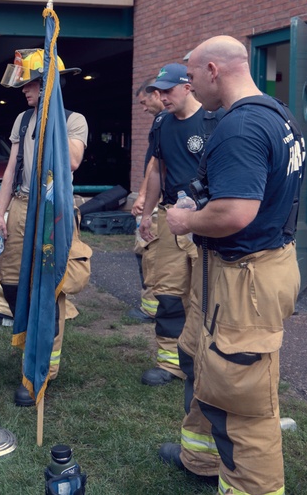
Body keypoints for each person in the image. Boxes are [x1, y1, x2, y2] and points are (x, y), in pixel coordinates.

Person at [160, 35, 305, 495]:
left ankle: (250, 487)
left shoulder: (239, 128)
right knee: (203, 362)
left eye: (191, 75)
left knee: (243, 399)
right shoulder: (278, 114)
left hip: (246, 279)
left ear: (213, 71)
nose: (188, 84)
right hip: (247, 269)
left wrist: (185, 220)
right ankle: (201, 458)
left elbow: (235, 212)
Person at [0, 48, 90, 407]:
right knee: (12, 280)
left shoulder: (74, 120)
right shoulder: (22, 120)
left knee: (50, 285)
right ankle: (30, 340)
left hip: (52, 210)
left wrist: (51, 120)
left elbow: (72, 161)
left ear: (48, 85)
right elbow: (11, 168)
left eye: (30, 84)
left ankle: (43, 367)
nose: (23, 91)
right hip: (19, 204)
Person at [137, 63, 221, 386]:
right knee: (169, 293)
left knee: (206, 296)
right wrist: (147, 213)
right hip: (171, 217)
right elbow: (158, 169)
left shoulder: (216, 120)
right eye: (158, 91)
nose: (161, 97)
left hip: (205, 220)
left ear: (188, 87)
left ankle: (205, 361)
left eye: (168, 90)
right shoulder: (161, 123)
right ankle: (170, 362)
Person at [129, 78, 168, 324]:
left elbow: (155, 164)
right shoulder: (165, 122)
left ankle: (152, 308)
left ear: (156, 95)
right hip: (160, 200)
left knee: (148, 251)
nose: (144, 108)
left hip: (158, 202)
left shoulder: (165, 123)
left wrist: (143, 197)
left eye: (145, 102)